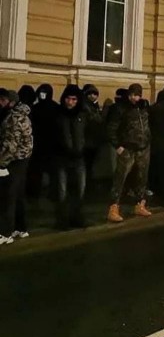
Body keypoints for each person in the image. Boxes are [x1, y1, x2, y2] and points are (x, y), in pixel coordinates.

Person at [106, 83, 152, 222]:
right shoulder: (121, 108)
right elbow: (111, 128)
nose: (134, 97)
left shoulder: (143, 107)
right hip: (127, 148)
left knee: (141, 178)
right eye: (132, 94)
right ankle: (113, 207)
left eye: (137, 95)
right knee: (120, 179)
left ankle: (140, 204)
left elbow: (147, 126)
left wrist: (147, 141)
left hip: (143, 148)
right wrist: (118, 146)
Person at [0, 89, 33, 244]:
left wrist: (1, 163)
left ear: (10, 101)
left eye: (2, 100)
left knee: (8, 196)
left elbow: (10, 145)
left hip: (14, 160)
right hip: (23, 159)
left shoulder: (13, 118)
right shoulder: (23, 115)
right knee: (18, 195)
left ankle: (5, 233)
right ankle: (21, 228)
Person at [54, 85, 87, 229]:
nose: (70, 102)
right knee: (62, 191)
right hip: (62, 157)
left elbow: (92, 131)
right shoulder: (58, 114)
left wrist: (84, 148)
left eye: (74, 99)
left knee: (79, 190)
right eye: (68, 98)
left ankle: (77, 218)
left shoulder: (82, 115)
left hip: (79, 158)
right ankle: (62, 221)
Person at [30, 83, 58, 200]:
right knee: (37, 171)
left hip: (50, 144)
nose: (42, 95)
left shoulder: (54, 108)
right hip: (38, 144)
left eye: (44, 92)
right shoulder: (35, 108)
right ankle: (35, 193)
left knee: (51, 170)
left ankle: (50, 193)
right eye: (41, 92)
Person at [82, 84, 104, 186]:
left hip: (92, 141)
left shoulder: (93, 106)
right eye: (90, 94)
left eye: (95, 94)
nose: (93, 96)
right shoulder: (85, 106)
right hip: (87, 141)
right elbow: (97, 120)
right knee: (87, 166)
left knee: (89, 166)